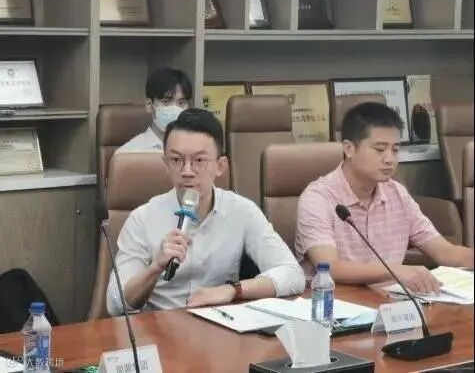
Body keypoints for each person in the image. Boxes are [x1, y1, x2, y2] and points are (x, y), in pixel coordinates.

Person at [107, 108, 305, 315]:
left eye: (199, 161)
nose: (187, 171)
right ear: (166, 164)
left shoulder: (241, 211)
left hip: (217, 325)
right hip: (159, 325)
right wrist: (155, 268)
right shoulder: (142, 218)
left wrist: (233, 290)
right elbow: (115, 304)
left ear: (220, 166)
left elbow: (292, 274)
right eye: (177, 160)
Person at [295, 102, 474, 294]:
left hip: (390, 301)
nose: (390, 159)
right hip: (335, 303)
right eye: (380, 149)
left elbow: (444, 252)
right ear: (349, 149)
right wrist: (396, 271)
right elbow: (330, 267)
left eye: (395, 150)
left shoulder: (397, 193)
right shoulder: (318, 198)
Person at [115, 68, 192, 154]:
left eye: (181, 103)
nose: (175, 108)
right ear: (149, 105)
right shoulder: (128, 153)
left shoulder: (196, 149)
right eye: (166, 101)